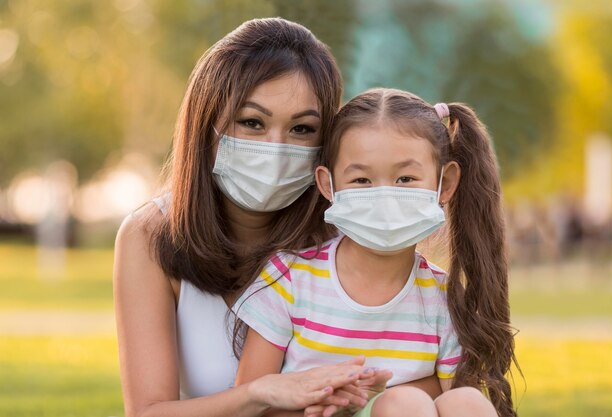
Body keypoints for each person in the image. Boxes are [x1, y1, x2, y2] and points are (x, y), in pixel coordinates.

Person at [113, 18, 402, 417]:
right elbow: (147, 412)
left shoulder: (350, 234)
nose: (277, 148)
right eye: (252, 122)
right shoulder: (150, 236)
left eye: (302, 129)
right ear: (206, 123)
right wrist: (261, 393)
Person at [234, 88, 519, 417]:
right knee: (405, 403)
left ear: (446, 183)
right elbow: (249, 402)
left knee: (464, 401)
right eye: (362, 180)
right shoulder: (290, 279)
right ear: (328, 185)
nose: (384, 195)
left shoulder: (444, 298)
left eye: (405, 178)